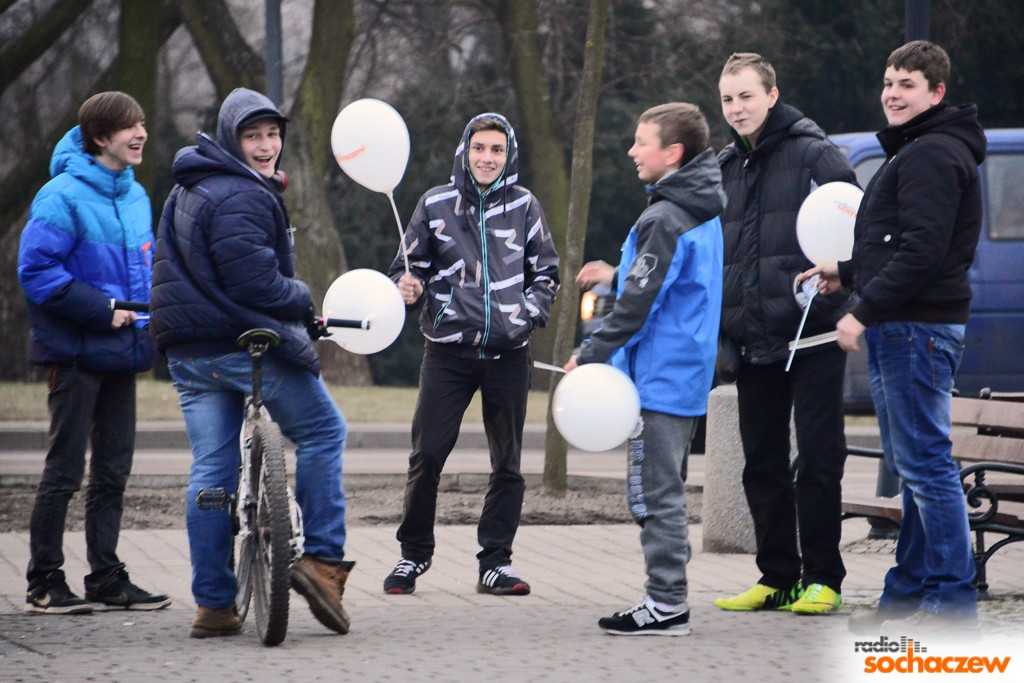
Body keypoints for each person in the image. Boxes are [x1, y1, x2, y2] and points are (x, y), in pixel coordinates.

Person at [149, 88, 352, 638]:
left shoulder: (186, 188)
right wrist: (303, 297)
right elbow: (253, 281)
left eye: (272, 134)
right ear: (231, 138)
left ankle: (214, 605)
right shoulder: (240, 195)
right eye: (252, 135)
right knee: (324, 430)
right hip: (240, 345)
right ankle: (323, 564)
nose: (266, 146)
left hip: (190, 355)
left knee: (212, 471)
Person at [802, 40, 985, 637]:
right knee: (916, 464)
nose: (892, 93)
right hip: (908, 322)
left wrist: (863, 309)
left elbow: (924, 251)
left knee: (926, 466)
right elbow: (894, 245)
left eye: (907, 84)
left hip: (913, 326)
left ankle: (953, 599)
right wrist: (847, 274)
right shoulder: (920, 149)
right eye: (888, 81)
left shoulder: (930, 153)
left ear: (936, 94)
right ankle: (907, 589)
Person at [382, 113, 559, 596]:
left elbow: (546, 273)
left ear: (509, 156)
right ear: (465, 151)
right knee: (427, 456)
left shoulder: (525, 205)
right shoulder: (434, 204)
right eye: (480, 148)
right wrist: (408, 285)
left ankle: (495, 563)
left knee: (509, 464)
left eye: (497, 150)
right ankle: (412, 557)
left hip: (509, 355)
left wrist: (526, 315)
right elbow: (406, 265)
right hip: (447, 355)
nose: (488, 158)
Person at [567, 102, 725, 636]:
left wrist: (587, 356)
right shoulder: (699, 208)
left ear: (673, 152)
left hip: (659, 378)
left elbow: (638, 307)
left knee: (653, 493)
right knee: (663, 490)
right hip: (684, 372)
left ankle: (666, 603)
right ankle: (666, 596)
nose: (633, 151)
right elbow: (669, 285)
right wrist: (618, 276)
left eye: (642, 142)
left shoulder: (663, 217)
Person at [711, 53, 857, 617]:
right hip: (754, 342)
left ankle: (824, 578)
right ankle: (777, 577)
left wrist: (843, 299)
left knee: (819, 461)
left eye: (746, 96)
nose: (736, 108)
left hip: (813, 336)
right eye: (727, 99)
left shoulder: (816, 154)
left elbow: (854, 231)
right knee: (761, 463)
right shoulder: (726, 166)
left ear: (772, 95)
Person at [17, 91, 170, 614]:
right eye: (130, 127)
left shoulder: (136, 196)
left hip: (122, 356)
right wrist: (102, 310)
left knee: (112, 473)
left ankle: (105, 577)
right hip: (75, 354)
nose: (141, 133)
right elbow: (36, 273)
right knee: (64, 472)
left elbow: (145, 273)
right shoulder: (59, 196)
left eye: (143, 122)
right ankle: (44, 580)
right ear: (101, 138)